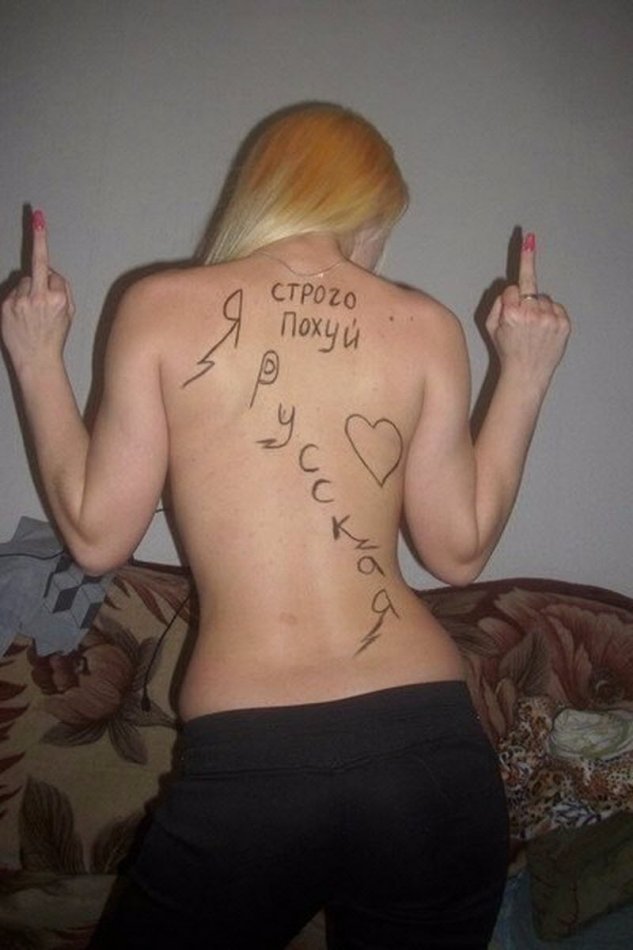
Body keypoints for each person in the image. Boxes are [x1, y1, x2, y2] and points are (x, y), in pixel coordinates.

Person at [1, 103, 570, 949]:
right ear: (368, 210)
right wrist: (523, 373)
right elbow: (458, 552)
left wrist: (35, 353)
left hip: (252, 766)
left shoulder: (159, 305)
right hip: (430, 752)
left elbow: (94, 538)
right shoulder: (423, 325)